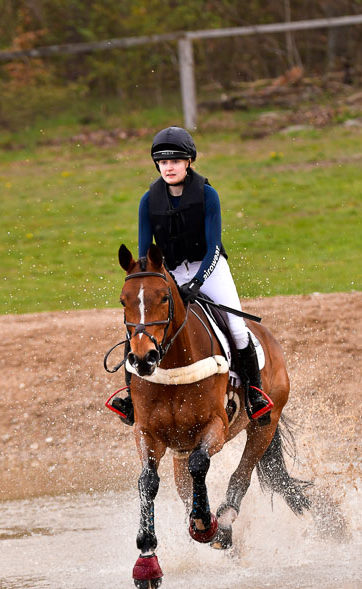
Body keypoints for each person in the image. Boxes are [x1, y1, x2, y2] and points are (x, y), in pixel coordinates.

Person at [113, 126, 270, 426]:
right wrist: (154, 280)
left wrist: (196, 283)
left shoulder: (208, 195)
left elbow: (214, 247)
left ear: (188, 162)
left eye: (175, 161)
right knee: (139, 327)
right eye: (163, 162)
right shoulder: (148, 201)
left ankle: (255, 394)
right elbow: (145, 254)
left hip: (209, 267)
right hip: (169, 271)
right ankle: (130, 399)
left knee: (237, 328)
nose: (169, 167)